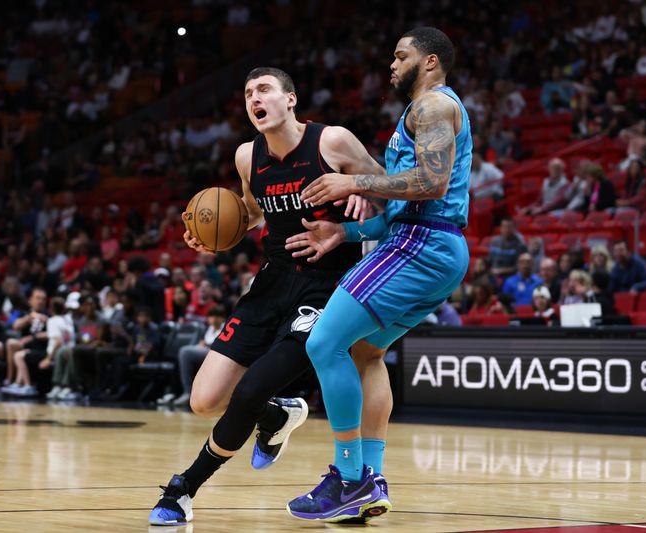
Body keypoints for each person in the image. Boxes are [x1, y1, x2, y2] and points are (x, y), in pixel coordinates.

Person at [149, 67, 389, 526]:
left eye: (263, 90)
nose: (253, 99)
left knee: (253, 388)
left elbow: (389, 188)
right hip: (272, 281)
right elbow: (253, 212)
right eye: (247, 93)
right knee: (203, 400)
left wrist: (364, 195)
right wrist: (217, 234)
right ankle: (279, 414)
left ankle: (183, 489)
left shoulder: (332, 141)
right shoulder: (247, 156)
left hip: (327, 285)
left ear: (291, 99)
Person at [282, 27, 471, 521]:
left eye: (400, 55)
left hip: (421, 243)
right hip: (430, 243)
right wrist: (341, 235)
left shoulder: (433, 107)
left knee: (323, 343)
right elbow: (403, 205)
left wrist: (352, 180)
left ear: (429, 62)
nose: (391, 64)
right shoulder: (420, 113)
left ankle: (348, 479)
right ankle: (372, 476)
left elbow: (431, 184)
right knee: (366, 351)